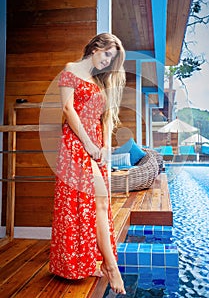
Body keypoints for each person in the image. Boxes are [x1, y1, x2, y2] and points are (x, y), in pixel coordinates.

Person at [49, 33, 126, 295]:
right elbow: (68, 110)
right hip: (75, 144)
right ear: (95, 47)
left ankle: (99, 262)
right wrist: (89, 145)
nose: (108, 61)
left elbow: (105, 118)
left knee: (98, 205)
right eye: (107, 54)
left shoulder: (98, 81)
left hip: (96, 147)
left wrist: (103, 149)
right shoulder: (71, 70)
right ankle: (111, 267)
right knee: (97, 203)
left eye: (112, 58)